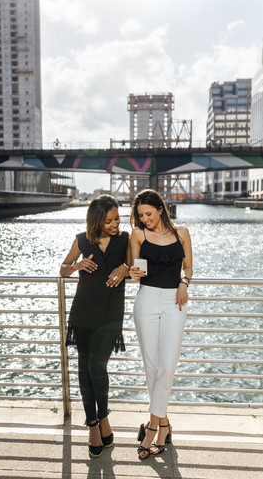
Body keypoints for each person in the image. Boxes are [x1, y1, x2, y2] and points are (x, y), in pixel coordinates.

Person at [60, 195, 130, 458]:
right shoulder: (81, 240)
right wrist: (76, 265)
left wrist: (124, 267)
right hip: (83, 313)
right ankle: (93, 424)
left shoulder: (125, 239)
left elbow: (138, 265)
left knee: (96, 366)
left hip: (110, 315)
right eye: (108, 221)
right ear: (96, 220)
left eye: (117, 219)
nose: (114, 224)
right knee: (84, 368)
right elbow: (63, 269)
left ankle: (103, 417)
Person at [129, 189, 193, 460]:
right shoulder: (137, 234)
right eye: (140, 215)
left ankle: (152, 428)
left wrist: (184, 283)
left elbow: (188, 267)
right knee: (153, 367)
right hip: (147, 299)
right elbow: (134, 270)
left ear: (160, 209)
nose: (145, 219)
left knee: (167, 366)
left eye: (149, 213)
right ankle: (163, 424)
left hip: (174, 301)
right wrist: (133, 272)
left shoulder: (182, 233)